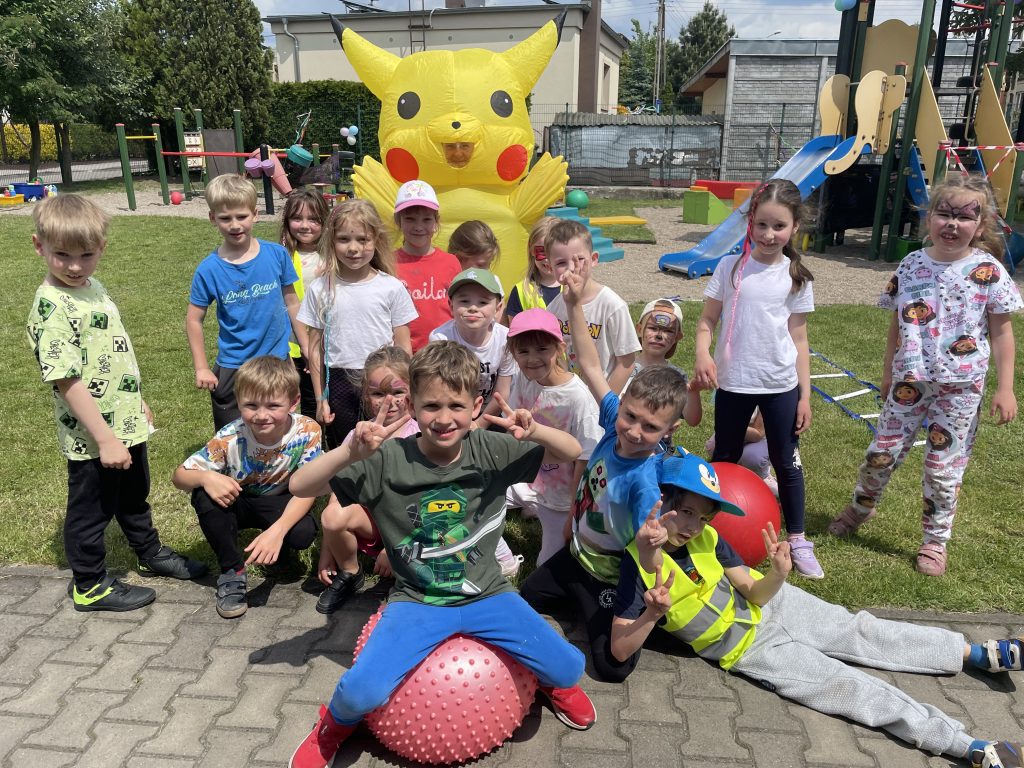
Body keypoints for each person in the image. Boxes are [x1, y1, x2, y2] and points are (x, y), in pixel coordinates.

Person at [610, 450, 1024, 768]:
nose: (692, 526)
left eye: (702, 517)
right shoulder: (635, 565)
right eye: (685, 512)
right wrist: (652, 615)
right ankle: (968, 746)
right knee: (848, 687)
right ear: (660, 501)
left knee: (863, 631)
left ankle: (978, 653)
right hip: (751, 650)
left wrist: (777, 575)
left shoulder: (709, 538)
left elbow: (755, 593)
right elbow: (619, 650)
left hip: (778, 607)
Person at [288, 341, 596, 768]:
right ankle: (332, 728)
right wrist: (348, 452)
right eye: (432, 405)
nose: (444, 418)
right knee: (359, 694)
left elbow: (572, 450)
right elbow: (299, 486)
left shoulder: (490, 449)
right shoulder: (386, 459)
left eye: (456, 405)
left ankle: (547, 681)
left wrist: (536, 431)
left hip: (489, 595)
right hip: (417, 602)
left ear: (476, 406)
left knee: (569, 669)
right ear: (413, 406)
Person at [830, 174, 1022, 576]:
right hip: (909, 382)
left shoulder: (988, 271)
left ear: (980, 226)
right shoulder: (911, 264)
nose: (952, 224)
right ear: (929, 217)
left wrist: (1005, 388)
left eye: (964, 217)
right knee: (879, 455)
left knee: (942, 470)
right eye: (944, 213)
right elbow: (896, 325)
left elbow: (1003, 333)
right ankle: (860, 508)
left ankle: (935, 541)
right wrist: (887, 371)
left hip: (961, 389)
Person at [27, 194, 206, 612]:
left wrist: (136, 401)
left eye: (86, 255)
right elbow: (67, 380)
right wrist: (106, 439)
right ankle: (89, 585)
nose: (75, 266)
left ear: (102, 248)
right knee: (92, 510)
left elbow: (112, 350)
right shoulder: (51, 307)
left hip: (125, 421)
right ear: (39, 246)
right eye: (62, 255)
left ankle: (148, 552)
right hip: (94, 438)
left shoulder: (92, 288)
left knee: (133, 494)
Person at [519, 269, 687, 682]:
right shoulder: (613, 421)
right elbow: (591, 364)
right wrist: (574, 305)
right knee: (528, 595)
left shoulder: (645, 485)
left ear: (670, 431)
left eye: (651, 427)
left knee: (612, 668)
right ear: (622, 405)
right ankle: (581, 602)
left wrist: (651, 546)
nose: (634, 431)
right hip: (578, 556)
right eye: (631, 416)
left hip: (610, 574)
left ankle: (636, 618)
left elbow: (649, 560)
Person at [693, 178, 821, 579]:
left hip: (781, 385)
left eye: (778, 226)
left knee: (787, 460)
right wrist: (702, 354)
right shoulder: (731, 269)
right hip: (733, 384)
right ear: (750, 221)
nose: (768, 234)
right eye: (761, 224)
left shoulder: (797, 277)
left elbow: (800, 340)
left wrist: (805, 397)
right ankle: (707, 527)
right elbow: (706, 321)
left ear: (794, 226)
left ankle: (798, 538)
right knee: (724, 458)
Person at [172, 356, 322, 619]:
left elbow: (308, 488)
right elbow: (179, 476)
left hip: (280, 499)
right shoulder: (229, 436)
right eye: (251, 405)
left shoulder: (308, 430)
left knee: (302, 533)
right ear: (238, 401)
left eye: (273, 405)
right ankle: (232, 571)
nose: (261, 415)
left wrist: (278, 531)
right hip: (237, 499)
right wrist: (206, 478)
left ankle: (276, 544)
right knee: (203, 495)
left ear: (294, 402)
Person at [186, 174, 305, 430]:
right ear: (212, 218)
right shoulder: (209, 269)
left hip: (277, 360)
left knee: (277, 429)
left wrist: (306, 347)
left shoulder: (277, 255)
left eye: (241, 216)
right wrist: (201, 367)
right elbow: (194, 319)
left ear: (255, 214)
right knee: (232, 436)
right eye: (225, 218)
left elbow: (292, 303)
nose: (234, 225)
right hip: (234, 366)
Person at [298, 199, 417, 449]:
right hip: (339, 380)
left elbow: (404, 347)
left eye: (362, 239)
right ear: (332, 241)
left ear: (376, 240)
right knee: (347, 447)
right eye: (344, 239)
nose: (353, 248)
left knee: (388, 444)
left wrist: (406, 390)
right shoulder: (320, 288)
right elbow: (315, 349)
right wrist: (320, 398)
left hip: (384, 379)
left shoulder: (391, 287)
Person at [315, 346, 418, 614]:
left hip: (414, 524)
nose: (388, 401)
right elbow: (339, 493)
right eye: (378, 393)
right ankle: (350, 572)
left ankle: (406, 576)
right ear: (364, 394)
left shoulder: (421, 435)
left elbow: (425, 500)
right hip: (372, 520)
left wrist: (396, 549)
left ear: (413, 391)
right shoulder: (357, 436)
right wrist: (328, 550)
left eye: (398, 392)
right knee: (332, 515)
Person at [506, 308, 603, 565]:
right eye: (523, 351)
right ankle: (505, 552)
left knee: (546, 566)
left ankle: (541, 514)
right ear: (513, 353)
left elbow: (585, 460)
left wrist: (573, 513)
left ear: (560, 348)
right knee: (473, 496)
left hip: (560, 497)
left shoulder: (578, 397)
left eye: (542, 349)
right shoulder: (523, 378)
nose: (532, 359)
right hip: (526, 480)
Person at [543, 219, 640, 394]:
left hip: (606, 395)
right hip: (573, 396)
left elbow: (626, 362)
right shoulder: (553, 309)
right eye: (561, 263)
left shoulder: (612, 305)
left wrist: (605, 402)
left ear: (593, 259)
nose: (571, 268)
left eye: (579, 259)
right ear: (549, 267)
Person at [429, 268, 514, 427]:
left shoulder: (506, 339)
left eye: (483, 302)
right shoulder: (440, 338)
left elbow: (502, 392)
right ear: (451, 305)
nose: (473, 308)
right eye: (464, 301)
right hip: (452, 413)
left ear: (498, 308)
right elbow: (440, 390)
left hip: (490, 414)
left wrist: (479, 424)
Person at [392, 180, 461, 352]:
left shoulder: (451, 262)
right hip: (404, 354)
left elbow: (459, 309)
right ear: (398, 221)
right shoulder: (388, 263)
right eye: (410, 219)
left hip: (445, 354)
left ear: (436, 222)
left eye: (426, 219)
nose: (419, 227)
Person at [279, 188, 330, 419]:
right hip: (298, 345)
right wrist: (305, 346)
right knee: (310, 401)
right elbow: (288, 303)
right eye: (297, 218)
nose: (305, 225)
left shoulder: (335, 254)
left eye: (313, 219)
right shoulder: (283, 257)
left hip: (332, 342)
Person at [621, 298, 701, 433]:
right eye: (653, 328)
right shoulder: (623, 367)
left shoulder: (676, 376)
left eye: (668, 331)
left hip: (657, 443)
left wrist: (693, 392)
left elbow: (692, 420)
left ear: (677, 337)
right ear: (639, 329)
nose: (659, 335)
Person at [706, 408, 778, 496]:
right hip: (735, 430)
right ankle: (733, 468)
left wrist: (728, 427)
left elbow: (758, 434)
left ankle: (763, 475)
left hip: (760, 438)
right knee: (713, 447)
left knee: (752, 458)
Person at [502, 216, 561, 324]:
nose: (548, 259)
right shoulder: (520, 292)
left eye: (556, 252)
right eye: (542, 251)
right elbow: (514, 331)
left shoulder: (574, 288)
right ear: (532, 250)